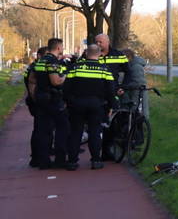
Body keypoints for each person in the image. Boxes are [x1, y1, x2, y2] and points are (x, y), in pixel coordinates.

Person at [61, 44, 120, 170]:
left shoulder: (75, 68)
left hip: (77, 104)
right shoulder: (104, 69)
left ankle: (72, 162)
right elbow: (110, 90)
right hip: (96, 105)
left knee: (76, 132)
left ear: (86, 53)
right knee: (95, 132)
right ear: (99, 54)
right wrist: (111, 105)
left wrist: (67, 101)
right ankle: (96, 161)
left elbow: (66, 88)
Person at [26, 38, 71, 170]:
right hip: (53, 100)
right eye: (61, 47)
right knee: (63, 128)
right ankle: (60, 160)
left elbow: (32, 80)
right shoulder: (52, 62)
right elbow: (56, 81)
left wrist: (34, 95)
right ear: (58, 48)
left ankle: (43, 161)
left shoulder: (40, 61)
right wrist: (66, 76)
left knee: (43, 131)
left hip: (41, 99)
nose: (62, 49)